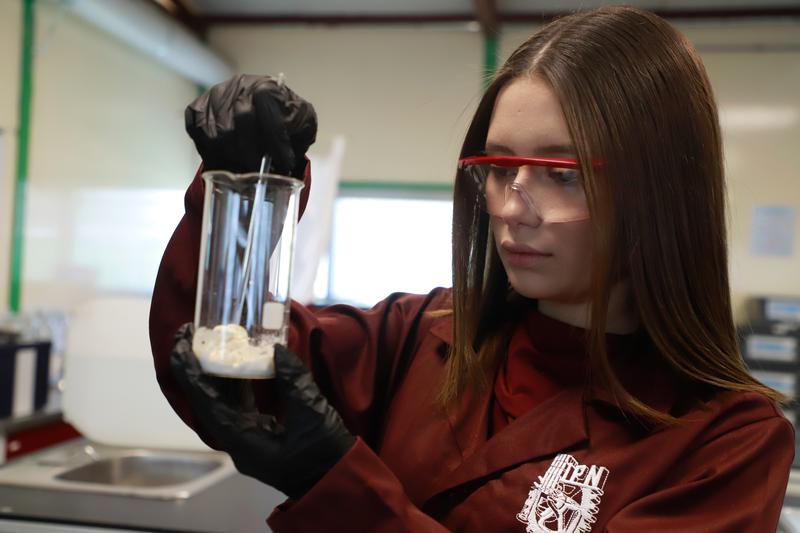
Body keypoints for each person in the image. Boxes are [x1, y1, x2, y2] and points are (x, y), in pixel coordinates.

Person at [150, 6, 795, 532]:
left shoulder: (726, 444)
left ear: (662, 193)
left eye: (562, 174)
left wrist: (337, 488)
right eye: (499, 167)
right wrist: (244, 196)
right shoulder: (423, 332)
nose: (511, 207)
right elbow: (221, 362)